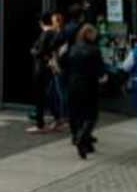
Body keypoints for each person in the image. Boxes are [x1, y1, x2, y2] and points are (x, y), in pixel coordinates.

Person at [64, 21, 108, 159]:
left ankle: (84, 141)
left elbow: (64, 64)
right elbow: (100, 70)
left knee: (78, 113)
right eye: (94, 33)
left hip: (73, 84)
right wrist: (103, 77)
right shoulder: (94, 50)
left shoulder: (72, 48)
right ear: (88, 34)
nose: (95, 36)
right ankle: (82, 138)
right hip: (89, 85)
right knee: (91, 115)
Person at [27, 11, 63, 134]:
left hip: (41, 68)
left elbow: (39, 51)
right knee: (49, 95)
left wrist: (34, 51)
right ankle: (57, 119)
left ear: (41, 22)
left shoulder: (46, 34)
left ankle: (40, 124)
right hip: (50, 67)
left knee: (40, 96)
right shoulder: (55, 33)